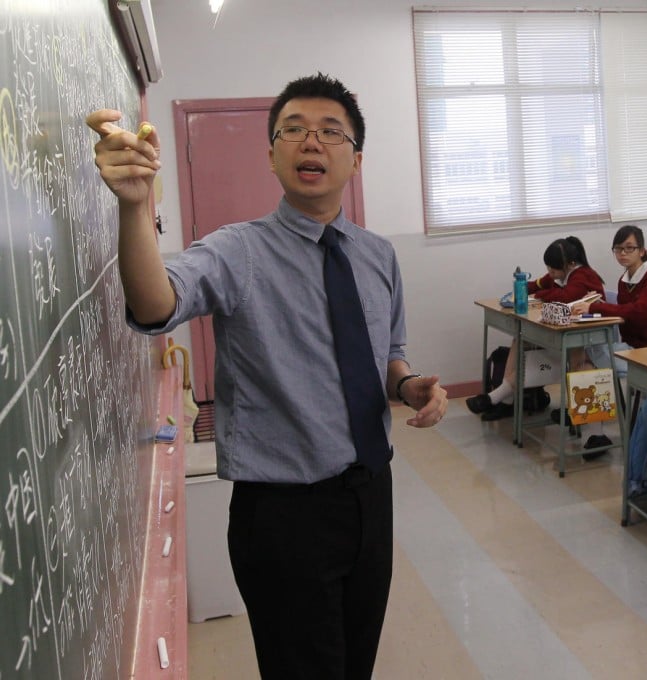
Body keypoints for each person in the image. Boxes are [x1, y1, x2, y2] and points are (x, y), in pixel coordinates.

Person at [87, 73, 448, 680]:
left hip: (371, 496)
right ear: (271, 153)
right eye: (295, 131)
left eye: (332, 132)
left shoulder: (377, 255)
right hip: (284, 514)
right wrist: (134, 204)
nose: (313, 143)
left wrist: (409, 385)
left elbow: (388, 356)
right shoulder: (238, 251)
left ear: (355, 159)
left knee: (355, 663)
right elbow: (155, 305)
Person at [466, 236, 605, 422]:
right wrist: (525, 287)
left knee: (570, 358)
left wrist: (540, 294)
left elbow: (564, 296)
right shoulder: (563, 273)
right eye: (548, 268)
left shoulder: (583, 275)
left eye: (553, 269)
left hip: (591, 338)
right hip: (566, 334)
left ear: (570, 264)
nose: (550, 273)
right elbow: (540, 284)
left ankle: (497, 398)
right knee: (520, 338)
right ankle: (505, 400)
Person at [573, 225, 647, 459]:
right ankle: (594, 432)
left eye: (629, 248)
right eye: (618, 249)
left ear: (643, 250)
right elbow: (623, 312)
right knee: (580, 355)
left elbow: (639, 312)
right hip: (630, 347)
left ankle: (595, 431)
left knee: (587, 359)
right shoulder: (624, 279)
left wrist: (596, 307)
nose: (623, 254)